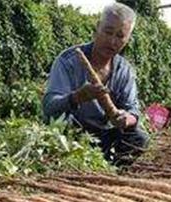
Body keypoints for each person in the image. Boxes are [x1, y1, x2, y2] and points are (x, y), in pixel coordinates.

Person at [42, 3, 149, 165]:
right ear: (97, 28)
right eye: (108, 32)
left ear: (127, 39)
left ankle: (117, 176)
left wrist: (126, 118)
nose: (112, 41)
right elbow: (49, 106)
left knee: (139, 138)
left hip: (105, 135)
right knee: (62, 127)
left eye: (120, 36)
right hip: (73, 133)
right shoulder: (68, 61)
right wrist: (76, 97)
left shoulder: (124, 70)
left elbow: (133, 110)